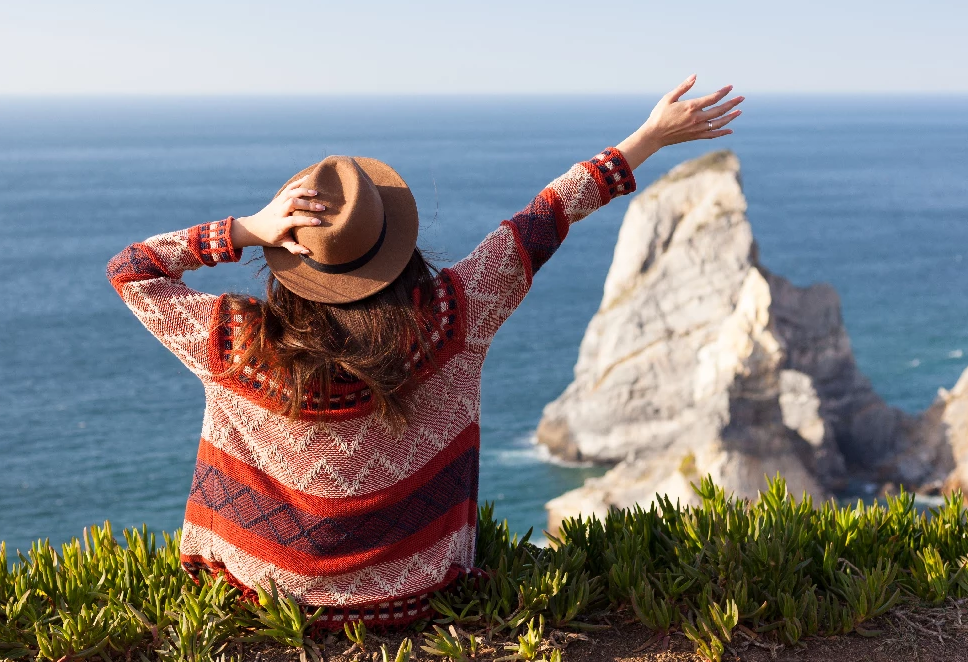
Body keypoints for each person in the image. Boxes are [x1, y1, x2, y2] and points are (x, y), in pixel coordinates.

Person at [107, 76, 742, 629]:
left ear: (289, 258)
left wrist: (247, 228)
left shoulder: (236, 341)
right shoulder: (458, 312)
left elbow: (132, 270)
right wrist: (651, 136)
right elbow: (545, 217)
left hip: (263, 589)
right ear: (396, 245)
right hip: (416, 592)